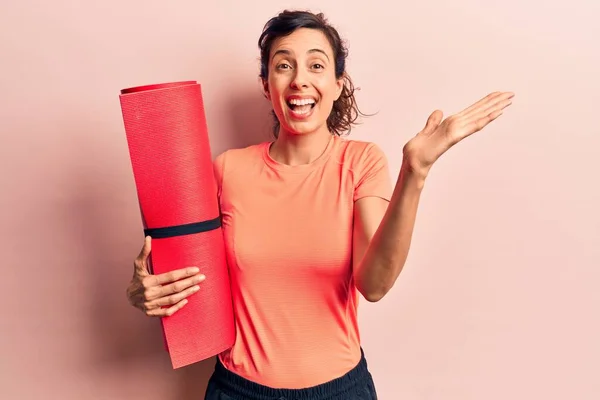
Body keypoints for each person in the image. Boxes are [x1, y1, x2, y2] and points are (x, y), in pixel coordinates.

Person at [126, 9, 514, 400]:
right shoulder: (228, 170)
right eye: (283, 65)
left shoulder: (361, 162)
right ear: (266, 84)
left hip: (340, 391)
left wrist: (415, 170)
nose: (300, 80)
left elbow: (374, 285)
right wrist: (142, 291)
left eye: (316, 64)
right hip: (236, 390)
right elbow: (183, 272)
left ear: (336, 83)